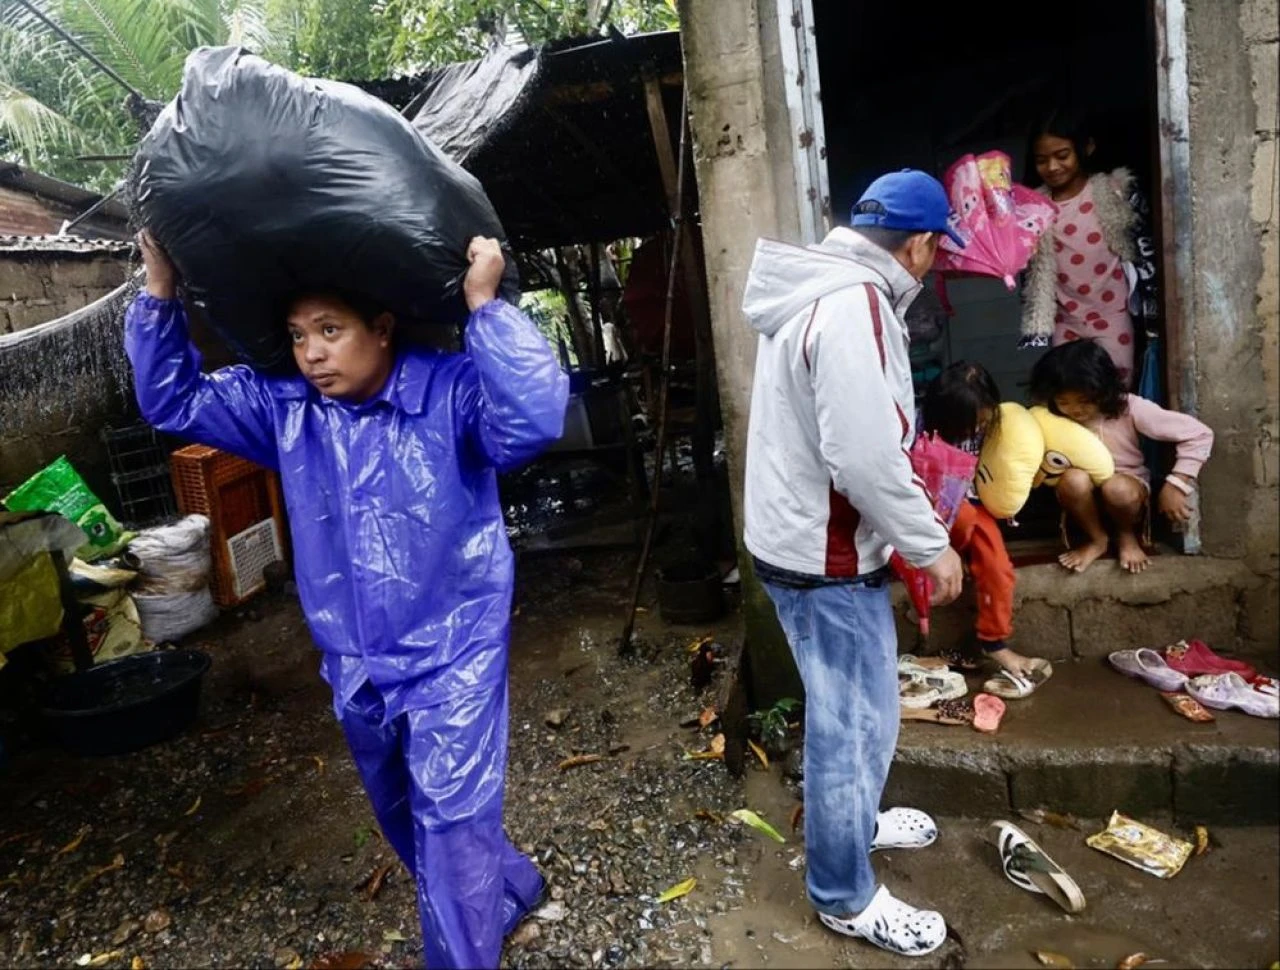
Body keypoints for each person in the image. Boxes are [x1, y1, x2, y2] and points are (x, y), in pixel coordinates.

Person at [125, 231, 568, 969]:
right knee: (400, 808)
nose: (311, 354)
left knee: (450, 818)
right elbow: (172, 400)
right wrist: (159, 288)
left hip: (453, 651)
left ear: (382, 327)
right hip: (355, 659)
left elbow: (534, 419)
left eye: (330, 330)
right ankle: (511, 887)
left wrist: (485, 307)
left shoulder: (451, 391)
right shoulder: (286, 408)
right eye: (299, 335)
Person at [741, 169, 966, 958]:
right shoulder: (855, 303)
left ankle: (856, 821)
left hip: (798, 539)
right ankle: (843, 893)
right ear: (919, 244)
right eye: (937, 251)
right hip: (823, 556)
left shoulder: (820, 289)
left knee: (863, 711)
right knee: (852, 723)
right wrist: (930, 546)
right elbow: (864, 457)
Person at [1029, 339, 1213, 574]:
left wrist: (1176, 483)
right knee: (1073, 478)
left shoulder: (1128, 407)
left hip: (1127, 488)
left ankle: (1126, 535)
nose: (1074, 409)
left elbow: (1199, 434)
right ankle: (1097, 539)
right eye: (1063, 401)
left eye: (1084, 401)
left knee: (1117, 488)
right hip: (1080, 496)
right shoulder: (1051, 417)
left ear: (1104, 390)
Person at [920, 361, 1049, 691]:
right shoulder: (917, 428)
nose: (975, 430)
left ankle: (994, 643)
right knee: (962, 515)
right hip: (929, 514)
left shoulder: (998, 426)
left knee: (998, 568)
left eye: (982, 422)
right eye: (967, 425)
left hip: (975, 509)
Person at [1019, 109, 1159, 387]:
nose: (1052, 167)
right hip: (1065, 322)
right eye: (1041, 160)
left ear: (1087, 148)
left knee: (1116, 393)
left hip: (1114, 317)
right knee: (1071, 394)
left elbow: (1145, 250)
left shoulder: (1113, 192)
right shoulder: (1033, 208)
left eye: (1062, 155)